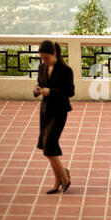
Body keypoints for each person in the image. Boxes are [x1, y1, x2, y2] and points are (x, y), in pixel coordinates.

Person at [33, 40, 75, 194]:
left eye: (46, 58)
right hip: (45, 111)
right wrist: (37, 90)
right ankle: (59, 178)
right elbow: (40, 83)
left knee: (49, 146)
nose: (44, 61)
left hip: (59, 111)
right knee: (46, 146)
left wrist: (51, 92)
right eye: (42, 58)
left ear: (54, 53)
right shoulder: (42, 67)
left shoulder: (65, 70)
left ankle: (64, 177)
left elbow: (70, 92)